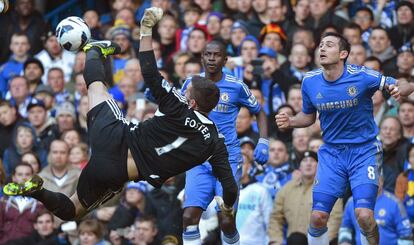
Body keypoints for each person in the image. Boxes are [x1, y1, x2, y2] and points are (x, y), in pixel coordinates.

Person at [3, 7, 238, 224]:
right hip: (116, 171)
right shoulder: (215, 143)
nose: (183, 92)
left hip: (113, 135)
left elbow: (148, 70)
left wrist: (146, 30)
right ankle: (39, 192)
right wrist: (227, 207)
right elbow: (229, 186)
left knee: (96, 86)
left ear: (193, 102)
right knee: (72, 212)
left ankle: (94, 49)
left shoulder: (178, 106)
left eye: (187, 91)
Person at [275, 32, 414, 245]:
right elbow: (309, 116)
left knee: (365, 216)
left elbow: (401, 83)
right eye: (320, 45)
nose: (321, 48)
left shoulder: (362, 76)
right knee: (318, 217)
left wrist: (404, 87)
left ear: (343, 54)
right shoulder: (310, 81)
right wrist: (291, 121)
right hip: (332, 153)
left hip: (364, 151)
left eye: (328, 45)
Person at [180, 34, 268, 245]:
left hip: (227, 159)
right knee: (188, 217)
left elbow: (260, 111)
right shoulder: (191, 84)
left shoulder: (236, 86)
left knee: (226, 221)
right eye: (207, 54)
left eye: (216, 55)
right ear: (202, 57)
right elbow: (176, 111)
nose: (211, 58)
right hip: (197, 160)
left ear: (225, 60)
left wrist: (264, 140)